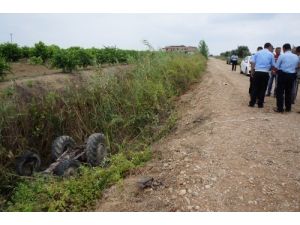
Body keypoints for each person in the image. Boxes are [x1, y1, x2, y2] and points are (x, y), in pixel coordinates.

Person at [274, 43, 300, 113]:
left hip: (283, 75)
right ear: (290, 48)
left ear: (284, 48)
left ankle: (280, 108)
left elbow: (276, 66)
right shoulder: (296, 57)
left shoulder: (282, 56)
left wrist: (276, 71)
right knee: (289, 92)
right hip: (292, 76)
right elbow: (298, 65)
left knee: (280, 92)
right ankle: (288, 108)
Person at [249, 43, 275, 108]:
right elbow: (273, 65)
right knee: (263, 89)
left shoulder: (257, 53)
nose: (271, 48)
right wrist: (269, 69)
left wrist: (252, 72)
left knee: (255, 88)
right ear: (268, 47)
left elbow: (253, 62)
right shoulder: (271, 54)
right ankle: (260, 104)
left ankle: (252, 103)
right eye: (271, 47)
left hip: (257, 72)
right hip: (265, 73)